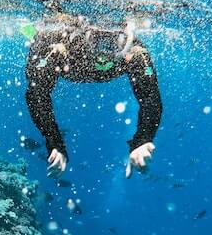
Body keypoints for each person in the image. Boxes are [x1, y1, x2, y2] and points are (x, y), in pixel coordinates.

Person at [24, 18, 162, 178]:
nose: (102, 52)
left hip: (72, 65)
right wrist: (55, 143)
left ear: (127, 37)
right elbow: (37, 94)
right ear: (84, 35)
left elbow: (150, 97)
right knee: (37, 50)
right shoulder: (59, 46)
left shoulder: (134, 52)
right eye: (95, 40)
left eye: (113, 42)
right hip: (59, 56)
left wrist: (143, 140)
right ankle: (33, 32)